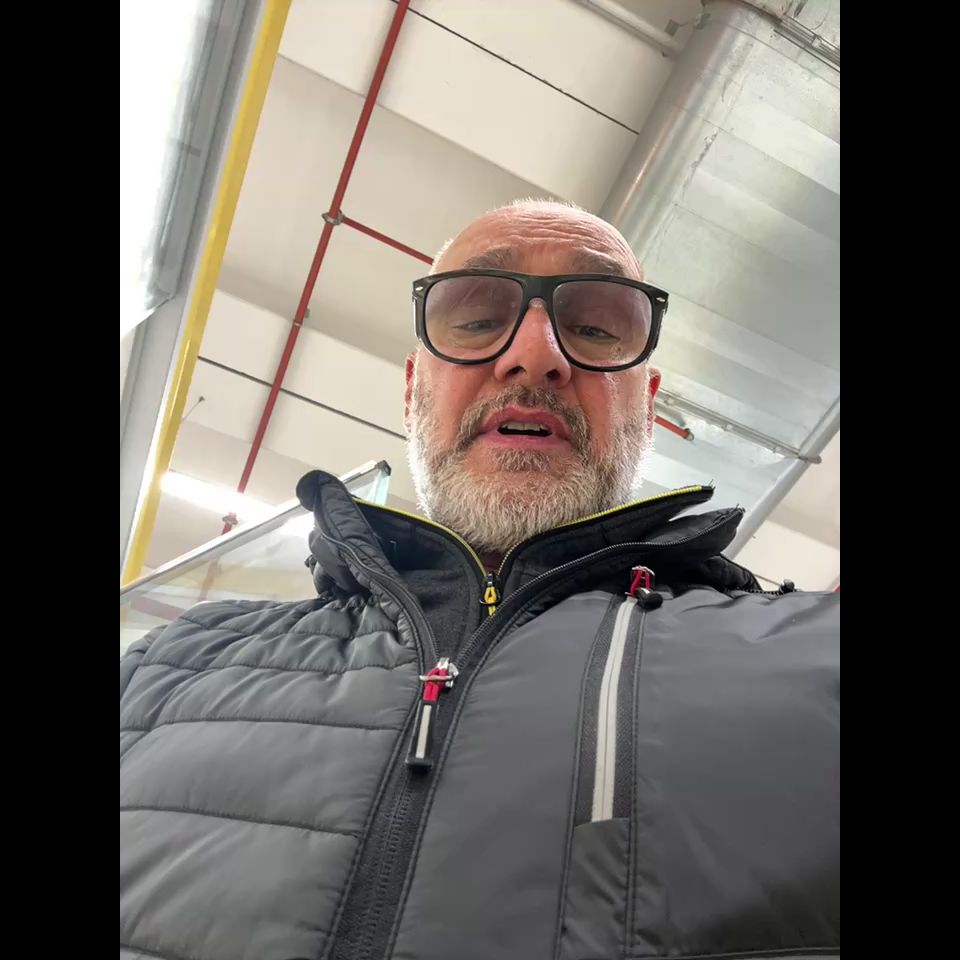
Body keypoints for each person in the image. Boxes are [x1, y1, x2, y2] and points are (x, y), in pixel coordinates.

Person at [120, 199, 840, 960]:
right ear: (412, 391)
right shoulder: (170, 665)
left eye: (597, 328)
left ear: (647, 406)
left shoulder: (815, 663)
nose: (535, 354)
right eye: (476, 318)